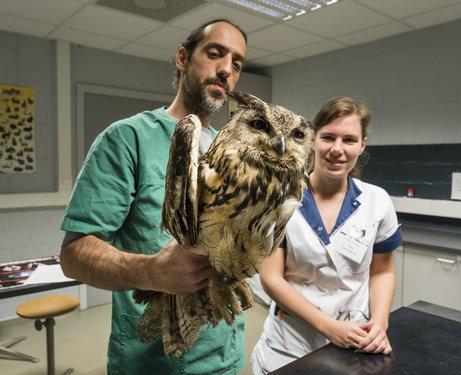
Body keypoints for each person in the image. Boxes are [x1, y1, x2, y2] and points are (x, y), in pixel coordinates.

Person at [60, 19, 248, 375]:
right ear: (182, 58)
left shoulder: (235, 150)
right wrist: (152, 272)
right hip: (152, 359)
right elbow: (74, 253)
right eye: (214, 54)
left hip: (226, 355)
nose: (225, 69)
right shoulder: (127, 138)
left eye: (237, 64)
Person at [250, 96, 403, 374]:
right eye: (328, 137)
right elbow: (271, 278)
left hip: (356, 341)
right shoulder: (280, 199)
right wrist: (329, 328)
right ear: (312, 140)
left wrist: (380, 324)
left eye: (349, 140)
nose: (337, 149)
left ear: (362, 145)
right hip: (289, 346)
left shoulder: (377, 201)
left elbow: (383, 271)